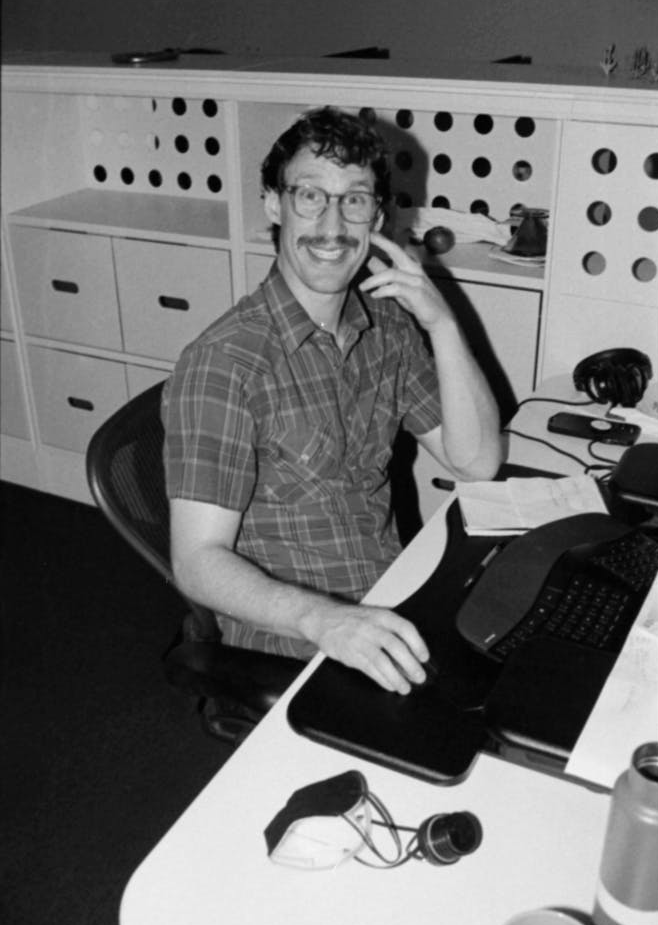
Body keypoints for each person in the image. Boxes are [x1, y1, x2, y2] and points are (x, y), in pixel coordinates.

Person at [162, 106, 502, 696]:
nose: (332, 225)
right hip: (301, 642)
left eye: (355, 200)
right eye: (310, 196)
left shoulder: (388, 326)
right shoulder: (224, 363)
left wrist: (443, 325)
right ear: (274, 204)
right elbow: (196, 560)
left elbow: (475, 461)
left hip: (395, 598)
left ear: (378, 215)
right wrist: (323, 619)